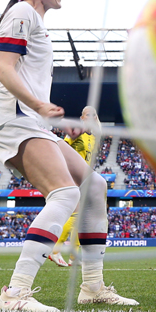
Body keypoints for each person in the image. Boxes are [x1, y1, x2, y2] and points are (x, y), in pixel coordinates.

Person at [0, 0, 137, 312]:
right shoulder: (22, 12)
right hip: (12, 121)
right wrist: (39, 104)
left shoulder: (33, 21)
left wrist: (47, 114)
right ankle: (14, 294)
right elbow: (3, 70)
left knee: (94, 186)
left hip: (30, 122)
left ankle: (93, 287)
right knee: (66, 192)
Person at [48, 106, 103, 268]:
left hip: (86, 178)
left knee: (82, 218)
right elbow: (60, 149)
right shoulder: (76, 132)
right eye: (88, 114)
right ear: (82, 117)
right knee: (76, 215)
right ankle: (56, 250)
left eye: (94, 114)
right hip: (74, 178)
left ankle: (74, 256)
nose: (91, 117)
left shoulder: (92, 137)